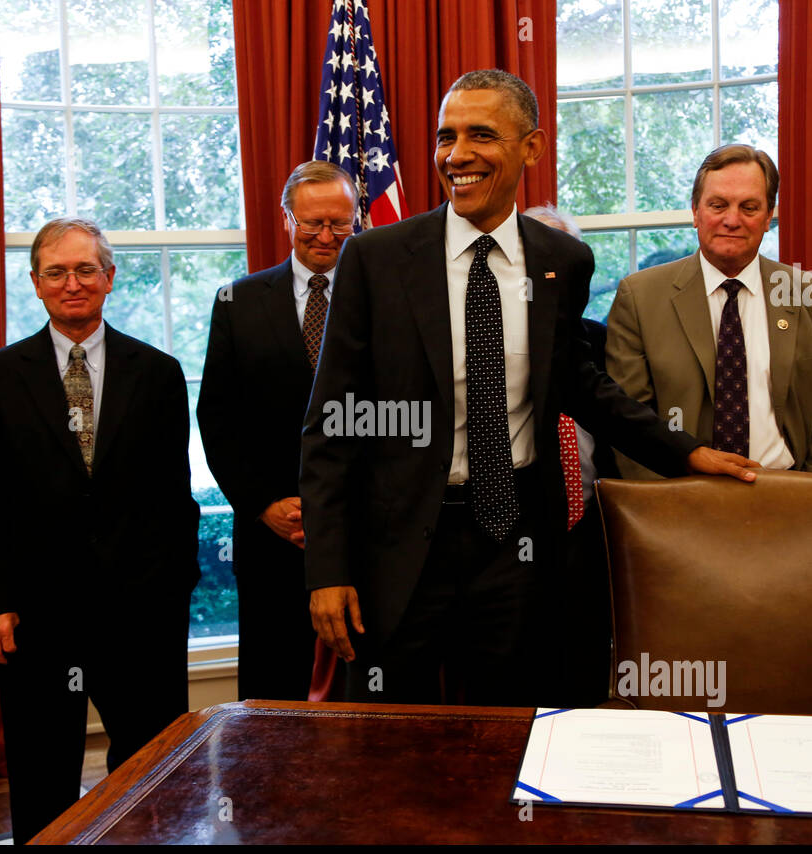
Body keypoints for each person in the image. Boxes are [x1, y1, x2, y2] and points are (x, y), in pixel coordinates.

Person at [300, 69, 758, 706]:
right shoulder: (376, 258)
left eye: (480, 135)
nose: (456, 155)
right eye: (445, 137)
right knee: (388, 739)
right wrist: (328, 569)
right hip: (401, 547)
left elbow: (579, 382)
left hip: (515, 542)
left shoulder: (562, 260)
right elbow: (332, 425)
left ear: (532, 147)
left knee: (514, 726)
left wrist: (684, 451)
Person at [0, 217, 199, 843]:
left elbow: (175, 498)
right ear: (35, 283)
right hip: (37, 617)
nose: (73, 283)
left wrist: (175, 592)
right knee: (43, 772)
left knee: (151, 768)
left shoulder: (160, 372)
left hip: (142, 611)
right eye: (58, 272)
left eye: (86, 269)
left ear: (110, 278)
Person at [198, 161, 358, 700]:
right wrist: (264, 502)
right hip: (271, 533)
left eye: (339, 222)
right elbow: (216, 418)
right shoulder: (237, 303)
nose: (326, 236)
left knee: (370, 691)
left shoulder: (385, 296)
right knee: (272, 696)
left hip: (366, 532)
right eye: (312, 223)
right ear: (287, 218)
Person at [605, 144, 812, 479]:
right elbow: (629, 426)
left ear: (769, 217)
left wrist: (807, 501)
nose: (731, 220)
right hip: (676, 502)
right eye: (718, 205)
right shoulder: (638, 298)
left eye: (749, 208)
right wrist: (664, 511)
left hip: (790, 497)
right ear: (695, 212)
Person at [522, 203, 618, 707]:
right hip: (514, 531)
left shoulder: (602, 340)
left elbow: (625, 421)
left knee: (584, 669)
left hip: (592, 525)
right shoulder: (493, 342)